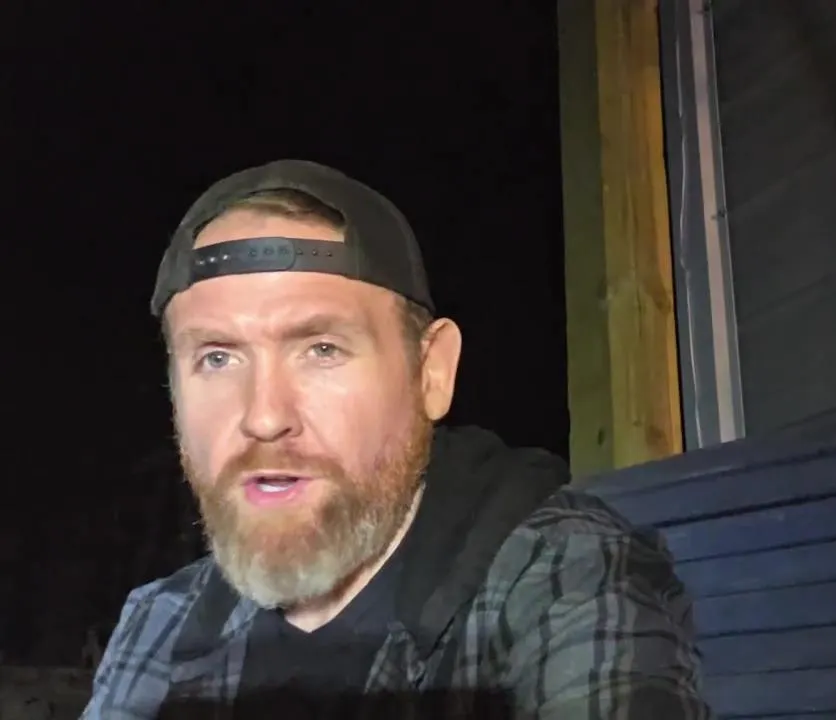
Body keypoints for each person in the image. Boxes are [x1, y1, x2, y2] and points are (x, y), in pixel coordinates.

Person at [82, 160, 710, 718]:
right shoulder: (161, 621)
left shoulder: (565, 577)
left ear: (431, 372)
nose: (265, 416)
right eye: (217, 358)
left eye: (321, 349)